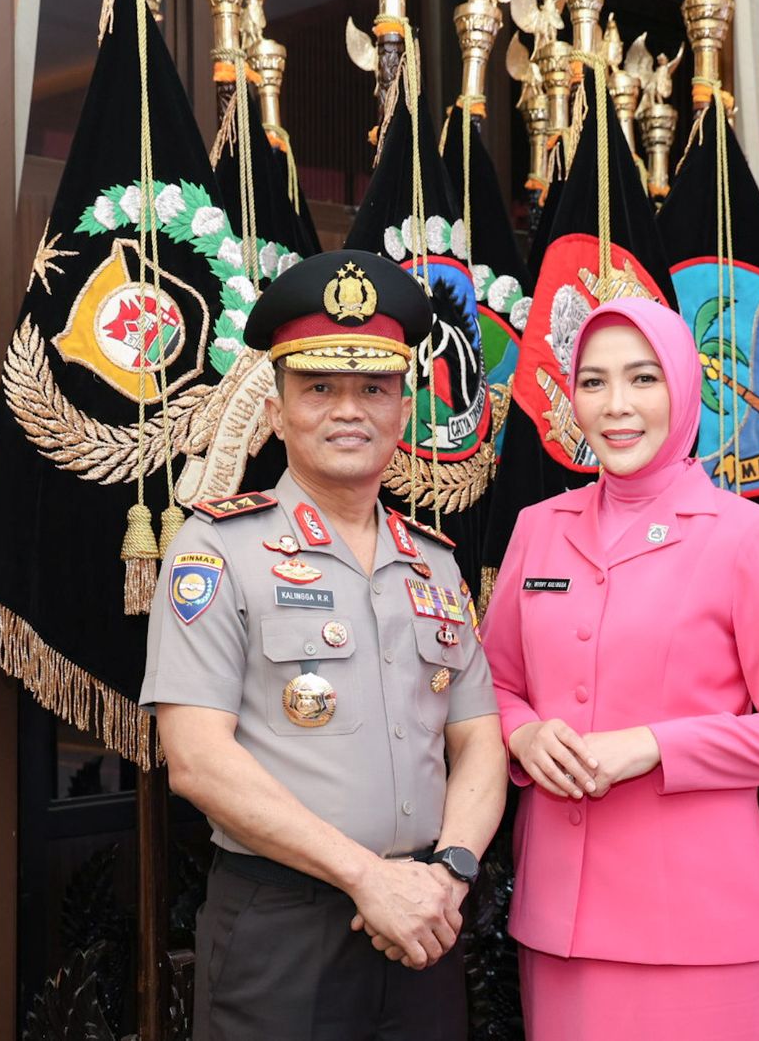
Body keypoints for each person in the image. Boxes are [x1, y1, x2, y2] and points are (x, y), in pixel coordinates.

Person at [142, 250, 507, 1041]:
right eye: (319, 389)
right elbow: (196, 760)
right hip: (283, 927)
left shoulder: (435, 564)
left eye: (373, 389)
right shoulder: (217, 549)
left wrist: (450, 873)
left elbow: (480, 740)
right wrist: (367, 879)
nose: (349, 411)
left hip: (426, 918)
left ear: (403, 411)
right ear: (277, 413)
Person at [481, 297, 759, 1040]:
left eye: (643, 378)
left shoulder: (748, 537)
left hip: (701, 927)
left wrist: (655, 745)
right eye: (593, 382)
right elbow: (493, 685)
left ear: (684, 387)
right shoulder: (537, 529)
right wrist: (523, 736)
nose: (616, 405)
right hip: (559, 922)